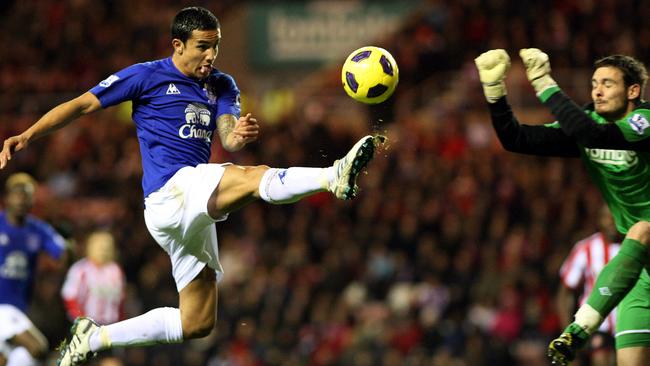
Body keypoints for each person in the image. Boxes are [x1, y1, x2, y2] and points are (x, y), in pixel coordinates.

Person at [0, 7, 378, 366]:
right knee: (251, 176)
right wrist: (28, 135)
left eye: (215, 46)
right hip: (169, 193)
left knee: (196, 322)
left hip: (192, 206)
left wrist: (238, 133)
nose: (211, 54)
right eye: (202, 46)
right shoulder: (146, 76)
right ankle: (333, 175)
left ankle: (94, 338)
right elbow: (83, 105)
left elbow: (228, 138)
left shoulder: (222, 84)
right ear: (178, 45)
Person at [474, 48, 650, 366]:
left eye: (608, 83)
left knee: (643, 227)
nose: (597, 89)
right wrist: (494, 92)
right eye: (594, 83)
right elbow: (516, 139)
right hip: (638, 269)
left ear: (633, 90)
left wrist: (543, 82)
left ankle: (580, 327)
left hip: (641, 240)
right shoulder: (589, 123)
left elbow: (594, 135)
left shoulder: (645, 122)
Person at [0, 173, 67, 366]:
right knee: (37, 347)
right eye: (17, 194)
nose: (21, 199)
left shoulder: (38, 230)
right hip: (2, 308)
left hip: (19, 309)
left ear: (32, 201)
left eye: (26, 195)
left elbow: (62, 253)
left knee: (22, 359)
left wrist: (67, 248)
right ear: (7, 197)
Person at [557, 205, 621, 366]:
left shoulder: (635, 248)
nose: (612, 221)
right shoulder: (585, 248)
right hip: (599, 326)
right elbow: (565, 292)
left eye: (616, 216)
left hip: (628, 323)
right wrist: (570, 336)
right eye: (607, 217)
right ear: (599, 219)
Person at [61, 231, 125, 326]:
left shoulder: (116, 270)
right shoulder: (80, 269)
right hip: (87, 327)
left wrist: (121, 323)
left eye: (107, 247)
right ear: (90, 247)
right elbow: (69, 297)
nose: (104, 250)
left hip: (112, 326)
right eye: (100, 247)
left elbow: (120, 302)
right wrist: (81, 321)